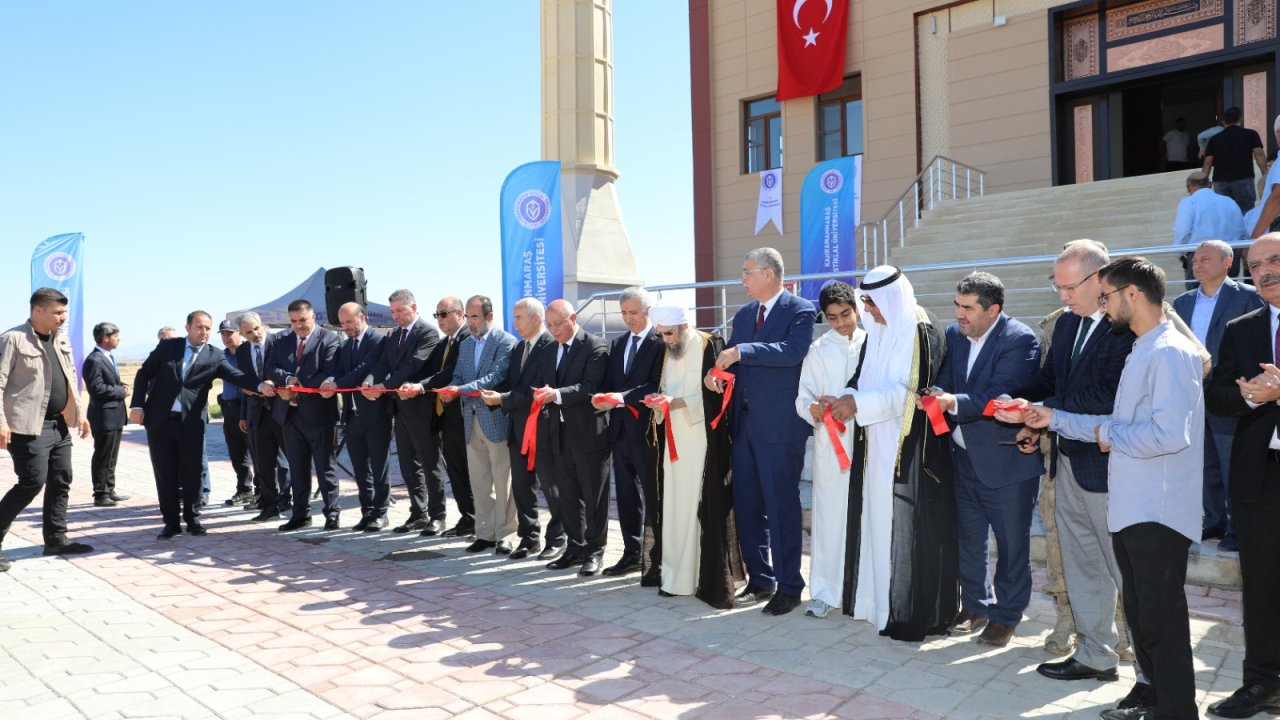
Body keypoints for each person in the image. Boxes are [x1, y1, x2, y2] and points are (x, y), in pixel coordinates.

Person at [1026, 257, 1203, 720]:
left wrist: (1108, 434)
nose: (1101, 307)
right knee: (1144, 615)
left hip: (1158, 508)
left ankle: (1175, 709)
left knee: (1161, 619)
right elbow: (1117, 422)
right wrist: (1053, 418)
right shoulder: (1145, 346)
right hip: (1133, 504)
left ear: (1132, 295)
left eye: (1106, 297)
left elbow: (1169, 435)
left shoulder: (1171, 351)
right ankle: (1152, 697)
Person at [998, 240, 1139, 690]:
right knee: (1082, 565)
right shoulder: (1065, 325)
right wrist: (1020, 403)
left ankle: (1153, 673)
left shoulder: (1126, 326)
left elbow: (1110, 396)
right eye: (1056, 286)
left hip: (1110, 465)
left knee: (1127, 570)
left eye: (1069, 287)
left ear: (1099, 279)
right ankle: (1096, 654)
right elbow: (1051, 380)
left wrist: (1046, 411)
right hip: (1066, 462)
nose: (1062, 296)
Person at [826, 266, 956, 641]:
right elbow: (862, 378)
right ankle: (877, 606)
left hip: (910, 450)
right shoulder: (878, 329)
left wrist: (859, 404)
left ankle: (910, 613)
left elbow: (916, 393)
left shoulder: (921, 330)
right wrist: (844, 397)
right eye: (865, 302)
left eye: (872, 303)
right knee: (876, 524)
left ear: (891, 297)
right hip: (875, 444)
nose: (867, 311)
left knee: (905, 531)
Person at [921, 272, 1043, 647]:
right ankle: (975, 605)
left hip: (1006, 463)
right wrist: (935, 392)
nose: (959, 314)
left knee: (1011, 546)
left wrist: (949, 402)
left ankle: (1006, 616)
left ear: (993, 310)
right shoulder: (956, 335)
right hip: (962, 459)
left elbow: (999, 395)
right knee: (968, 540)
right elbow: (946, 379)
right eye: (957, 305)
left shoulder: (1020, 339)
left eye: (968, 308)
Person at [707, 247, 815, 616]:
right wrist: (716, 376)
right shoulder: (743, 315)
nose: (742, 279)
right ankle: (760, 579)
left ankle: (790, 586)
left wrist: (742, 351)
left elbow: (791, 351)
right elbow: (733, 362)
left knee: (780, 505)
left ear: (768, 273)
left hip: (780, 427)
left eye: (747, 271)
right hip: (745, 426)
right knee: (748, 504)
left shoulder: (800, 309)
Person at [1204, 233, 1280, 719]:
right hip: (1261, 476)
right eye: (1255, 266)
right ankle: (1264, 684)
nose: (1265, 272)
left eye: (1274, 261)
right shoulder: (1242, 327)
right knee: (1262, 587)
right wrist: (1252, 397)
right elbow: (1217, 396)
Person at [644, 305, 743, 608]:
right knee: (673, 506)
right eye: (661, 334)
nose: (666, 340)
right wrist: (658, 402)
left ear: (685, 326)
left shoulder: (710, 344)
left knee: (694, 506)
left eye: (669, 333)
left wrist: (679, 403)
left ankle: (699, 578)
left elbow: (719, 393)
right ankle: (674, 577)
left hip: (701, 440)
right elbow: (662, 385)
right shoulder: (666, 350)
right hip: (671, 439)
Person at [130, 310, 260, 539]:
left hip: (190, 424)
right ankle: (170, 523)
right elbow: (143, 374)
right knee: (165, 474)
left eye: (208, 328)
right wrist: (137, 405)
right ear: (188, 328)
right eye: (199, 327)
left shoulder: (214, 355)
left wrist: (260, 386)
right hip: (160, 422)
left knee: (193, 473)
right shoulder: (168, 347)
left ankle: (193, 519)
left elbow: (236, 376)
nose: (204, 332)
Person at [1173, 240, 1265, 553]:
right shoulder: (1183, 302)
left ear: (1228, 263)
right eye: (1194, 259)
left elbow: (1257, 341)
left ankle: (1238, 528)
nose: (1196, 264)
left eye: (1205, 259)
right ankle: (1214, 520)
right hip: (1192, 393)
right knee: (1204, 461)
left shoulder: (1248, 297)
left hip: (1229, 393)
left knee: (1231, 463)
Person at [0, 289, 93, 572]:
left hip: (58, 424)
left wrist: (80, 413)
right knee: (31, 482)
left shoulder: (60, 339)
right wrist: (1, 422)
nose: (63, 317)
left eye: (64, 312)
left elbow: (71, 377)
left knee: (61, 479)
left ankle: (55, 539)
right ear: (38, 310)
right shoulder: (13, 339)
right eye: (57, 312)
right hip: (27, 425)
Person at [793, 281, 865, 619]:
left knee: (868, 517)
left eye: (845, 314)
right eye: (832, 317)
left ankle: (863, 591)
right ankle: (824, 592)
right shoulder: (818, 350)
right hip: (830, 447)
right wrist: (813, 409)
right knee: (828, 518)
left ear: (857, 309)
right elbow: (802, 397)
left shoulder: (874, 343)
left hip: (868, 442)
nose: (840, 323)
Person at [482, 297, 564, 561]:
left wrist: (503, 399)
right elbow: (514, 384)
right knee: (522, 487)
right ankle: (529, 538)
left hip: (543, 428)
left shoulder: (551, 345)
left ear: (537, 319)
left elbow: (538, 389)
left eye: (519, 318)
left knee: (551, 487)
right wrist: (496, 394)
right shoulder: (519, 347)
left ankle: (557, 539)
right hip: (518, 429)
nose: (514, 323)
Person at [537, 299, 611, 575]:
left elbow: (589, 387)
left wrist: (555, 394)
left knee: (594, 496)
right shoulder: (547, 350)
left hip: (590, 435)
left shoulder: (595, 346)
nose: (554, 330)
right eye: (549, 325)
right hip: (559, 434)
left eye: (558, 323)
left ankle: (595, 550)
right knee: (568, 496)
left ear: (573, 319)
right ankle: (575, 548)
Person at [594, 287, 662, 578]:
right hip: (620, 432)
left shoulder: (661, 342)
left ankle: (658, 558)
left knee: (654, 496)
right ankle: (631, 553)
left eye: (633, 312)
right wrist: (601, 397)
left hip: (649, 431)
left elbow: (655, 385)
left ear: (648, 312)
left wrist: (620, 398)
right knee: (625, 496)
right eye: (623, 313)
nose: (628, 318)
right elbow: (612, 381)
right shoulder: (618, 343)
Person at [441, 295, 517, 553]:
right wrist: (451, 388)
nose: (470, 322)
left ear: (489, 317)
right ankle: (485, 533)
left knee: (503, 481)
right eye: (468, 317)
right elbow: (458, 375)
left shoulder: (505, 342)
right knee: (480, 481)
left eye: (474, 317)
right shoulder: (465, 345)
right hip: (470, 419)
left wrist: (458, 390)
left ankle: (506, 533)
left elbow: (494, 377)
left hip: (496, 420)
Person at [260, 299, 342, 531]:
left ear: (313, 317)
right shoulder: (281, 340)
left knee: (325, 468)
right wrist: (287, 379)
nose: (298, 326)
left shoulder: (329, 339)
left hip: (320, 416)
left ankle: (332, 513)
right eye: (294, 321)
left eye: (303, 320)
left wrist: (296, 387)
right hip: (289, 416)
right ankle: (300, 515)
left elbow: (328, 372)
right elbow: (271, 368)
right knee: (297, 468)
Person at [399, 296, 474, 538]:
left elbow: (450, 372)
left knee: (469, 471)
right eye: (437, 315)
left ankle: (476, 519)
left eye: (444, 314)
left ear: (460, 314)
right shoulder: (444, 343)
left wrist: (421, 386)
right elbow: (433, 371)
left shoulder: (467, 339)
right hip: (446, 416)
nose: (439, 319)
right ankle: (468, 518)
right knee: (456, 470)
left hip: (465, 414)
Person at [366, 289, 441, 534]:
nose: (395, 316)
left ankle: (438, 516)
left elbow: (413, 365)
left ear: (414, 307)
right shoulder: (393, 335)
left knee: (430, 464)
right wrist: (370, 382)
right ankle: (418, 513)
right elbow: (382, 364)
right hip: (400, 409)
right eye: (393, 311)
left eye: (400, 310)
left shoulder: (428, 332)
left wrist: (384, 387)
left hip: (422, 409)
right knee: (409, 466)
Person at [321, 302, 391, 531]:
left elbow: (363, 370)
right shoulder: (345, 345)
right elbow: (339, 371)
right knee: (361, 469)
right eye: (342, 323)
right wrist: (330, 381)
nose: (346, 327)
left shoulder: (377, 341)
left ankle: (381, 513)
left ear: (362, 318)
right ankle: (367, 512)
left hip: (375, 415)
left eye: (349, 322)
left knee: (379, 467)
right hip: (352, 417)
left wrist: (336, 384)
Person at [235, 311, 291, 521]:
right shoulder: (242, 351)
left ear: (262, 324)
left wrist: (272, 384)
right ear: (242, 334)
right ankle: (269, 506)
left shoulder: (280, 342)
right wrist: (248, 391)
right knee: (264, 464)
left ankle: (293, 502)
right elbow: (243, 380)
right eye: (248, 332)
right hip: (258, 414)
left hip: (282, 411)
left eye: (256, 328)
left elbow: (288, 372)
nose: (255, 334)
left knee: (291, 460)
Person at [83, 322, 130, 507]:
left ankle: (109, 489)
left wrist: (121, 385)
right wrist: (121, 391)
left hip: (114, 415)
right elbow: (96, 388)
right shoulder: (94, 360)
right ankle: (100, 494)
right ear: (105, 338)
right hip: (104, 416)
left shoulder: (107, 357)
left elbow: (108, 381)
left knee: (111, 456)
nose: (119, 339)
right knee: (103, 455)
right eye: (115, 336)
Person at [1173, 171, 1247, 287]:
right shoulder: (1229, 201)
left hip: (1200, 255)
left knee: (1198, 296)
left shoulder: (1189, 202)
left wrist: (1179, 253)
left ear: (1188, 188)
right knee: (1228, 294)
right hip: (1229, 255)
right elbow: (1242, 230)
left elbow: (1183, 230)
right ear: (1210, 184)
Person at [216, 319, 254, 507]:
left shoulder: (247, 353)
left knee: (256, 451)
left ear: (239, 333)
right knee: (236, 452)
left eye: (230, 333)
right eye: (223, 334)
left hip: (246, 407)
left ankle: (262, 491)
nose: (226, 337)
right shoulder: (221, 356)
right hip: (229, 409)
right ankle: (244, 489)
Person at [1203, 106, 1268, 214]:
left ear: (1223, 121)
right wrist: (1265, 173)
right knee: (1246, 212)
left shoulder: (1214, 139)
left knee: (1225, 214)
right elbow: (1259, 153)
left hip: (1220, 181)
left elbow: (1208, 162)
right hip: (1243, 178)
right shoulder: (1250, 134)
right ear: (1240, 119)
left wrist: (1203, 182)